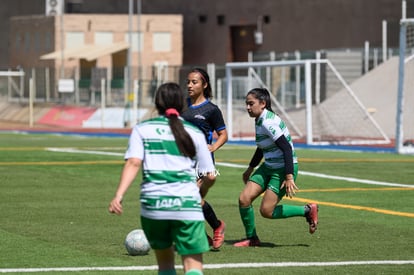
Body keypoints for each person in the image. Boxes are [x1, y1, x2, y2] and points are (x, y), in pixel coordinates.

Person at [109, 82, 216, 275]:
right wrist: (201, 193)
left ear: (156, 103)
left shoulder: (142, 129)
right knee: (193, 267)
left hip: (154, 205)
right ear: (183, 104)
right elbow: (210, 176)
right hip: (186, 204)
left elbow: (133, 163)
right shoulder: (194, 132)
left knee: (166, 266)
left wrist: (118, 196)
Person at [233, 88, 319, 247]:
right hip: (268, 166)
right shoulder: (259, 119)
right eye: (246, 104)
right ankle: (252, 238)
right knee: (244, 199)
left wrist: (289, 177)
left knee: (266, 211)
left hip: (283, 169)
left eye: (251, 103)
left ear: (263, 103)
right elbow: (262, 147)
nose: (247, 107)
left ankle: (307, 211)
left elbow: (286, 148)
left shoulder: (267, 122)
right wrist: (250, 168)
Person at [181, 67, 228, 250]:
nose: (190, 85)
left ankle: (215, 228)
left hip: (202, 161)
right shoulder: (182, 106)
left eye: (194, 82)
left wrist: (213, 147)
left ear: (205, 84)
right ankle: (213, 229)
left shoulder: (211, 110)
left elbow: (223, 134)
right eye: (188, 82)